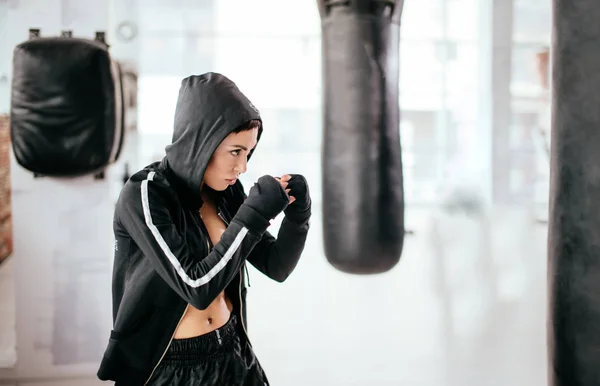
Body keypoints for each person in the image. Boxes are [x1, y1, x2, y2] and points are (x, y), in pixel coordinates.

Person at [97, 72, 311, 385]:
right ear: (202, 142)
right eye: (235, 151)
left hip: (233, 351)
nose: (243, 167)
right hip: (170, 366)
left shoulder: (227, 193)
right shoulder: (145, 194)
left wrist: (298, 215)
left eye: (248, 153)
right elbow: (195, 287)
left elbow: (276, 265)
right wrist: (252, 216)